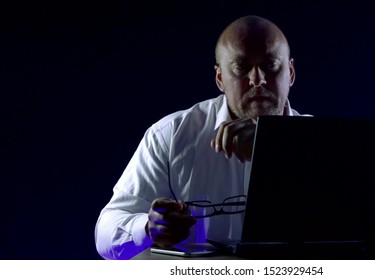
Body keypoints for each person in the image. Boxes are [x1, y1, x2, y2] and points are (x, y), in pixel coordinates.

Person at [94, 15, 309, 260]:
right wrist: (147, 229)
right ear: (220, 79)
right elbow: (106, 234)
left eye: (270, 64)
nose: (257, 80)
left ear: (290, 73)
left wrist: (273, 143)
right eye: (241, 67)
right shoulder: (171, 136)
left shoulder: (327, 146)